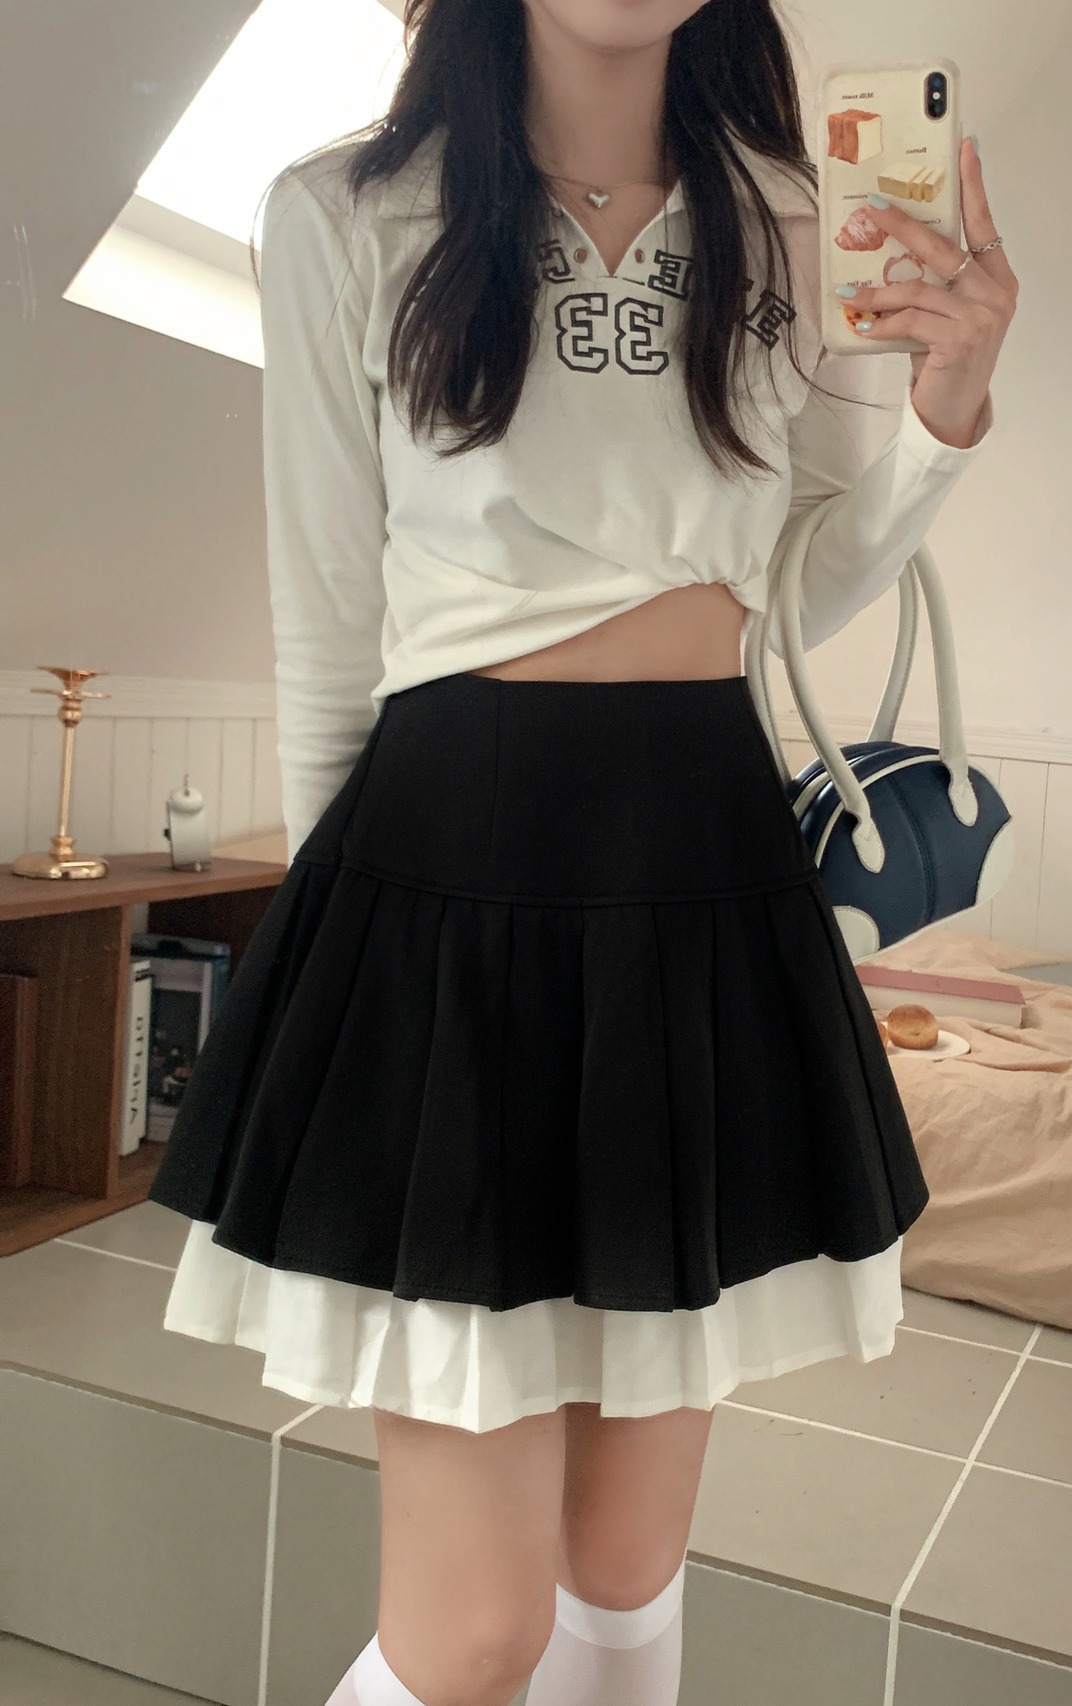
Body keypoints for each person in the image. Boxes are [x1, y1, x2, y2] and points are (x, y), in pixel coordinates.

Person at [147, 3, 1016, 1703]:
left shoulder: (788, 217)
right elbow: (329, 619)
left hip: (698, 860)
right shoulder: (344, 214)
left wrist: (946, 406)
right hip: (448, 869)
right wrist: (344, 987)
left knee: (623, 1571)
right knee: (478, 1633)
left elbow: (791, 583)